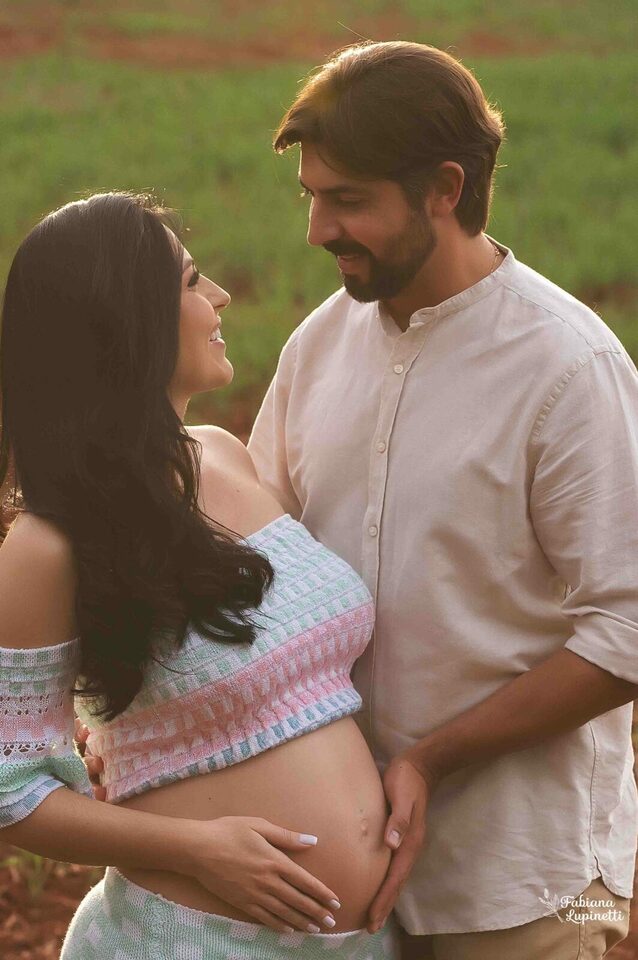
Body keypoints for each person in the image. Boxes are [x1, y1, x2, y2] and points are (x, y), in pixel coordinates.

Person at [245, 41, 638, 959]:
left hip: (529, 886)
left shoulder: (569, 369)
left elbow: (627, 631)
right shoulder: (316, 347)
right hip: (346, 882)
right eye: (310, 197)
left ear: (444, 189)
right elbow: (256, 562)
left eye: (348, 200)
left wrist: (429, 759)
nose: (317, 229)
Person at [0, 192, 401, 959]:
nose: (219, 296)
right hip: (189, 941)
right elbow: (8, 790)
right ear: (125, 320)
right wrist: (198, 849)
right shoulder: (48, 544)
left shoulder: (221, 451)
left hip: (363, 942)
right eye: (190, 281)